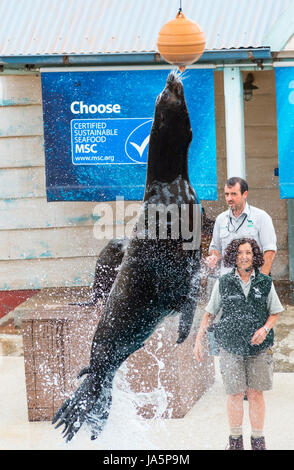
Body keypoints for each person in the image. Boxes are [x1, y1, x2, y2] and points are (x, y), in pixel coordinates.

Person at [194, 238, 283, 450]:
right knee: (234, 393)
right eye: (240, 253)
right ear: (234, 256)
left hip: (258, 349)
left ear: (255, 257)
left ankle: (258, 441)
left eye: (248, 253)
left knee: (255, 393)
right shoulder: (223, 283)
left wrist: (265, 329)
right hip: (230, 346)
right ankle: (235, 441)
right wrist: (198, 340)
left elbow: (275, 312)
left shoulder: (265, 282)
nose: (244, 256)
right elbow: (209, 313)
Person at [206, 177, 277, 276]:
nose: (229, 198)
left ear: (245, 194)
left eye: (233, 194)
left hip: (253, 279)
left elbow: (270, 251)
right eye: (227, 194)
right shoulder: (220, 219)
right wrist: (214, 257)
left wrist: (262, 279)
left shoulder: (261, 217)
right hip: (227, 281)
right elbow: (215, 248)